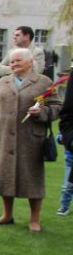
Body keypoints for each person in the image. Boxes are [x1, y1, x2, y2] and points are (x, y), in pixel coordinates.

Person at [0, 48, 61, 233]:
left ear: (30, 62)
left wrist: (42, 113)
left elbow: (57, 107)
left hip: (31, 140)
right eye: (11, 62)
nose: (13, 64)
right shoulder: (2, 82)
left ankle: (34, 219)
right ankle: (7, 215)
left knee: (33, 179)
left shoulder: (44, 82)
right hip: (4, 138)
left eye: (18, 61)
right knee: (5, 177)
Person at [58, 76, 73, 217]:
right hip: (71, 153)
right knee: (67, 185)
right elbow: (65, 121)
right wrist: (65, 139)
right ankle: (64, 205)